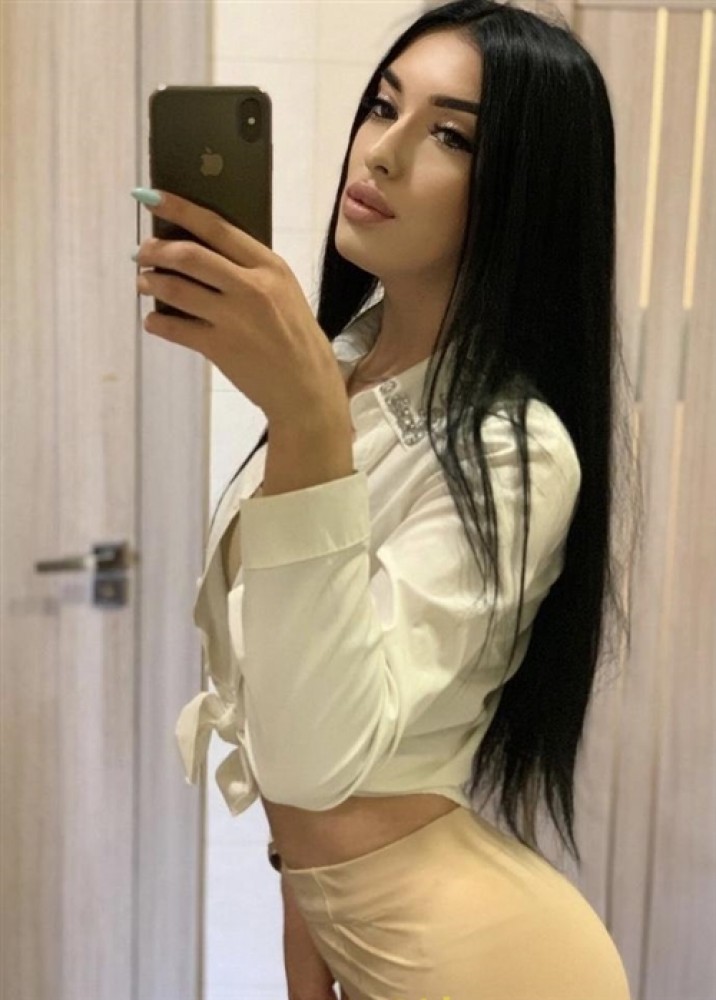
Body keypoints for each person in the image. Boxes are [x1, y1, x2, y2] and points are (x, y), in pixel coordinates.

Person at [174, 1, 642, 997]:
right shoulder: (343, 363)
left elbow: (315, 757)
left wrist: (306, 421)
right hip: (358, 931)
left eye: (450, 136)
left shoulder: (513, 450)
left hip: (483, 962)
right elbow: (290, 706)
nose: (380, 152)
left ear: (525, 193)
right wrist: (301, 915)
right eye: (383, 106)